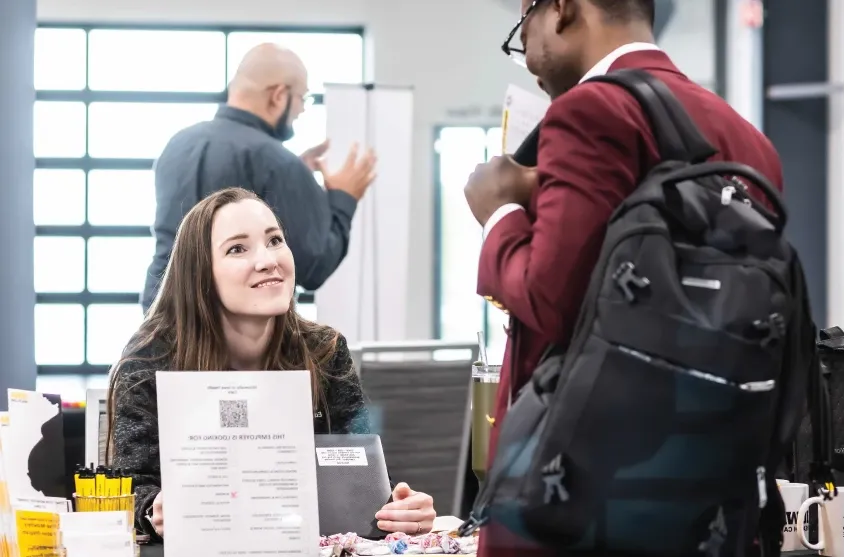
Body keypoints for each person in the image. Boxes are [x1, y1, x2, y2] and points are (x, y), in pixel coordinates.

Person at [463, 0, 784, 555]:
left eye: (522, 26)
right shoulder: (745, 136)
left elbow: (550, 299)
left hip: (581, 498)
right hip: (709, 492)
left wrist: (499, 214)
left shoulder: (589, 111)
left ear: (560, 8)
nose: (528, 51)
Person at [108, 187, 435, 541]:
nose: (267, 260)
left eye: (275, 240)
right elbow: (128, 489)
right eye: (237, 248)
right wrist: (152, 509)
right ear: (200, 274)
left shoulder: (325, 351)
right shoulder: (148, 362)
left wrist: (401, 508)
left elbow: (364, 472)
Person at [141, 43, 377, 313]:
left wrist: (295, 176)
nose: (301, 110)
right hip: (228, 333)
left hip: (161, 319)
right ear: (278, 95)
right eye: (303, 98)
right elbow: (313, 267)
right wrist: (344, 198)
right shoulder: (277, 162)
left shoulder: (178, 144)